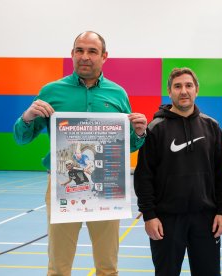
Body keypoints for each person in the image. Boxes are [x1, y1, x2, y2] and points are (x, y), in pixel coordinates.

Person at [13, 31, 148, 276]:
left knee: (108, 267)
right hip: (63, 185)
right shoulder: (51, 91)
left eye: (92, 51)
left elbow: (126, 145)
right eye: (80, 50)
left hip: (107, 185)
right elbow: (22, 138)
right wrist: (28, 116)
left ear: (104, 56)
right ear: (72, 54)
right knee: (58, 267)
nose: (85, 56)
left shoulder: (118, 94)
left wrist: (139, 134)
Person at [134, 68, 222, 276]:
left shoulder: (211, 127)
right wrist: (149, 215)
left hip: (206, 220)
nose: (184, 91)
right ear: (169, 92)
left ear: (196, 90)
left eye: (189, 86)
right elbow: (144, 176)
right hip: (166, 221)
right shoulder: (155, 128)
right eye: (177, 86)